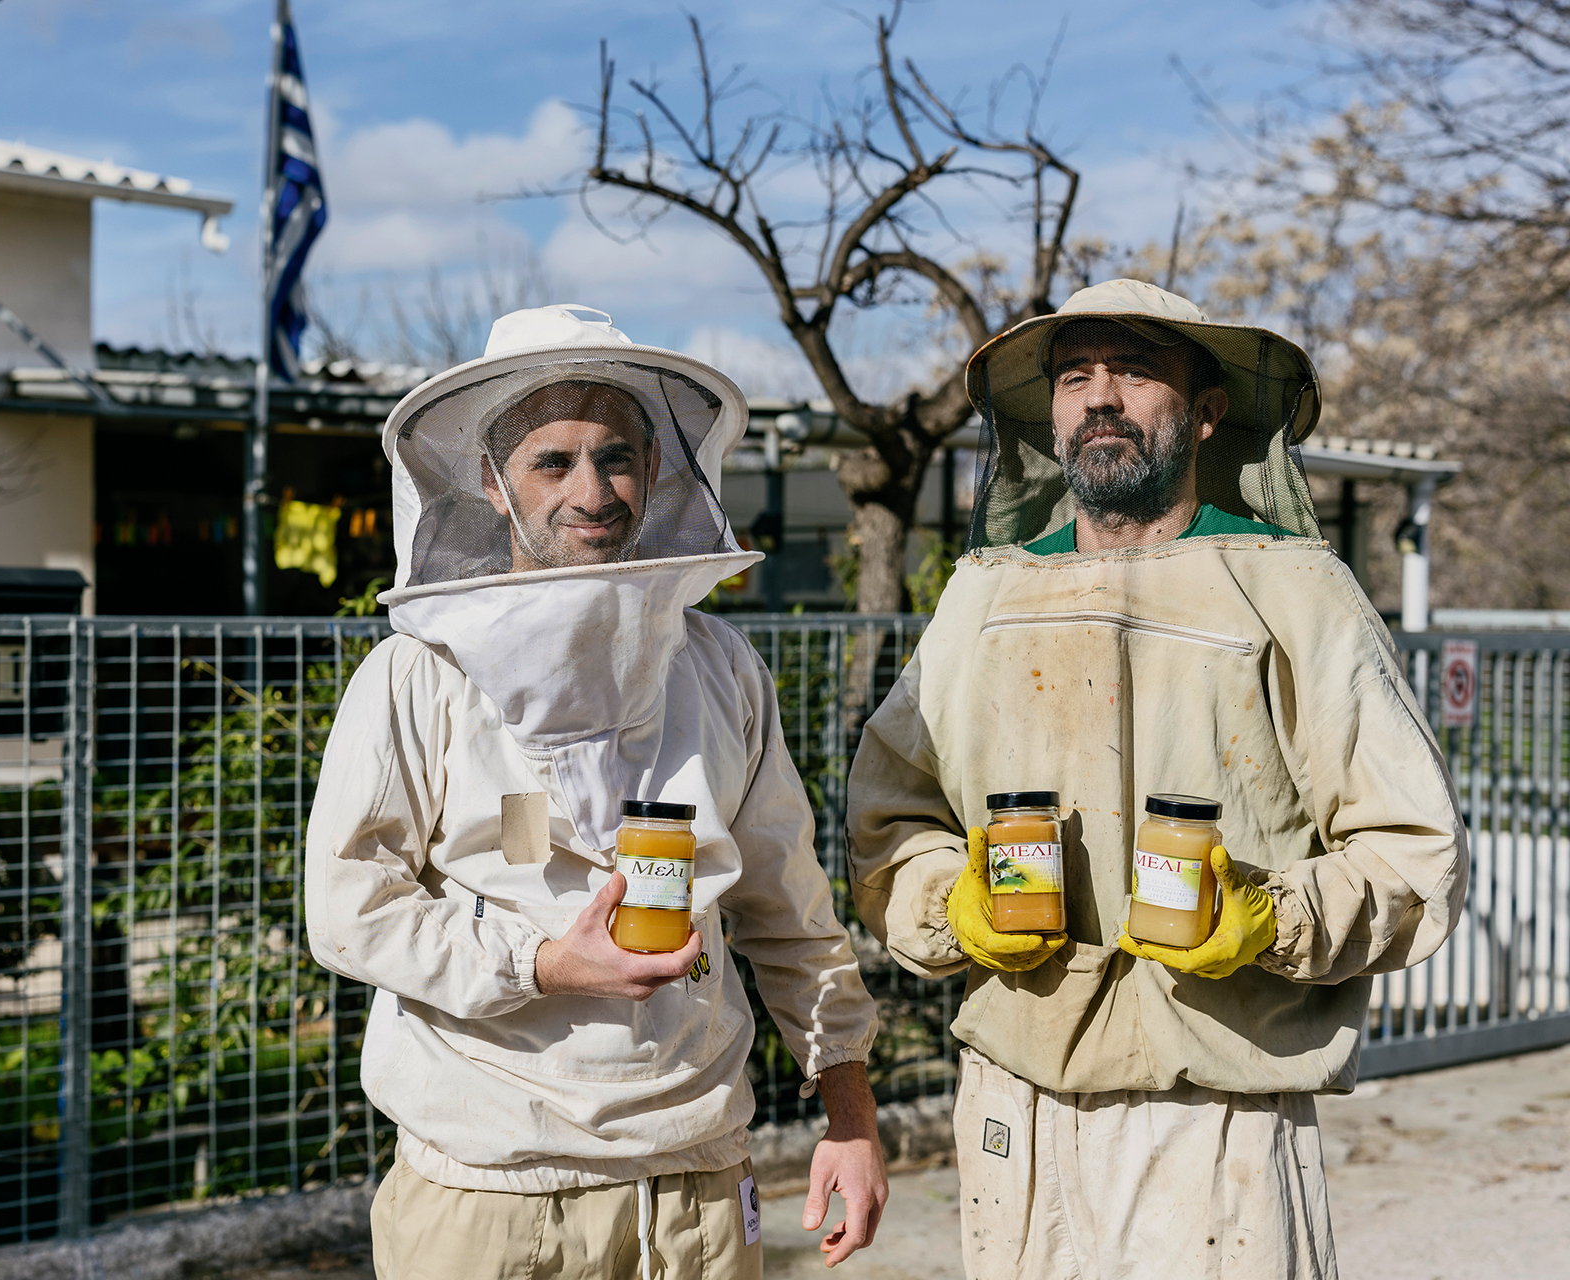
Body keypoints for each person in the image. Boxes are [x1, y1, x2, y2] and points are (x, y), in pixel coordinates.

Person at [847, 278, 1467, 1279]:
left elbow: (1414, 850)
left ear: (1208, 409)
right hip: (1018, 1105)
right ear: (1050, 414)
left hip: (1218, 1118)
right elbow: (891, 815)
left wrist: (1272, 916)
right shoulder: (986, 594)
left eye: (1136, 371)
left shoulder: (1297, 589)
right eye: (1077, 374)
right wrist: (946, 902)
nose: (1102, 397)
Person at [305, 305, 887, 1279]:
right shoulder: (419, 675)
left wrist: (852, 1112)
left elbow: (789, 908)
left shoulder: (722, 669)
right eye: (552, 460)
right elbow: (348, 907)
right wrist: (541, 962)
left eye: (616, 456)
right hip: (491, 1189)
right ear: (491, 482)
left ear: (658, 468)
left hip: (697, 1180)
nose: (592, 488)